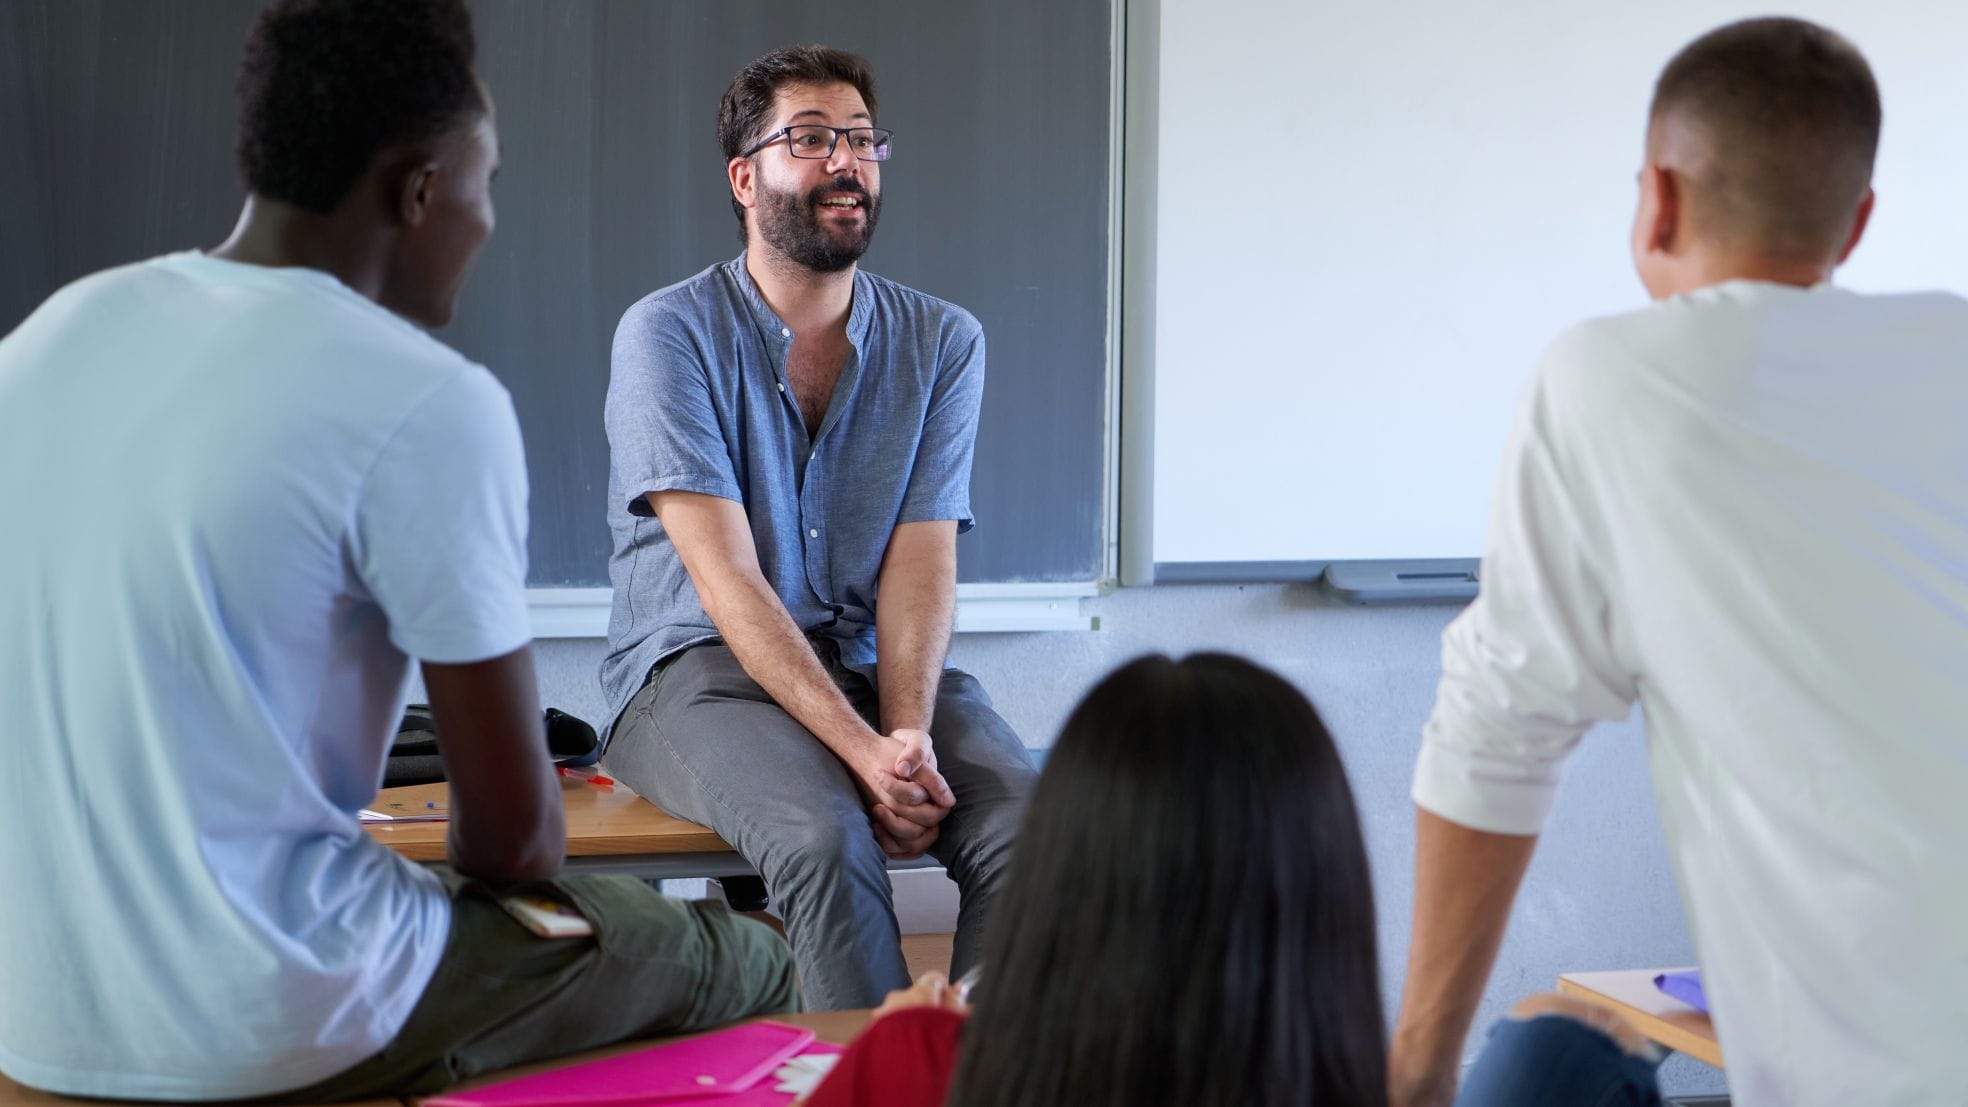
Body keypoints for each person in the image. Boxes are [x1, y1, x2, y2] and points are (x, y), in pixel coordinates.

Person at [0, 1, 792, 1100]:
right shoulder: (424, 399)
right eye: (487, 182)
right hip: (267, 1022)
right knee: (745, 957)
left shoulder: (49, 337)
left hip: (34, 1013)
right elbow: (511, 842)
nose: (489, 219)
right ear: (420, 190)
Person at [1388, 17, 1968, 1107]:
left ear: (1658, 198)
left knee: (1547, 1055)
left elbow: (1495, 740)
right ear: (1858, 224)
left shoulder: (1609, 379)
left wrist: (1415, 1075)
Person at [600, 44, 1037, 1010]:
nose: (846, 161)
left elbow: (921, 562)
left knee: (1034, 834)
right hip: (697, 670)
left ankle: (979, 1068)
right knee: (825, 840)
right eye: (809, 139)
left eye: (862, 139)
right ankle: (872, 1075)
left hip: (873, 666)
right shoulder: (667, 333)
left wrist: (906, 736)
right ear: (744, 178)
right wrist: (863, 753)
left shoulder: (942, 341)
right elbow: (728, 581)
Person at [802, 654, 1664, 1107]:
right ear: (1324, 889)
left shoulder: (918, 1057)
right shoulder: (1344, 1082)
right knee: (1567, 1039)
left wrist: (902, 1042)